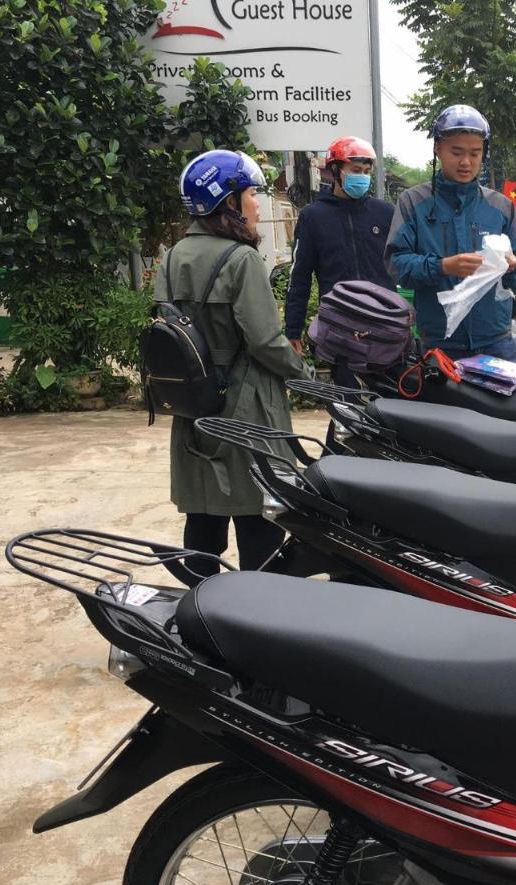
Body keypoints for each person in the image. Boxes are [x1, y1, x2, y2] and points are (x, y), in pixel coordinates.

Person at [158, 149, 307, 580]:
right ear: (227, 203)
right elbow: (265, 342)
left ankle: (203, 611)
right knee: (258, 515)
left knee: (203, 518)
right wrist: (305, 375)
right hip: (247, 406)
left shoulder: (172, 257)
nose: (257, 204)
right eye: (250, 194)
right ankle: (257, 621)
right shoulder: (241, 260)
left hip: (194, 402)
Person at [385, 104, 516, 361]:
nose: (466, 162)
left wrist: (512, 268)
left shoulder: (501, 207)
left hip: (496, 342)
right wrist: (443, 267)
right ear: (437, 149)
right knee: (444, 403)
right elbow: (397, 265)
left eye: (475, 153)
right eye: (456, 152)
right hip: (438, 343)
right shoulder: (413, 202)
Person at [285, 135, 395, 360]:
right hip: (340, 328)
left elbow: (403, 265)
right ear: (335, 170)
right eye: (355, 170)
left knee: (391, 391)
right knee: (348, 392)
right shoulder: (313, 217)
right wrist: (293, 330)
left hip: (385, 324)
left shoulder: (385, 213)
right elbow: (300, 278)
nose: (362, 177)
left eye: (366, 172)